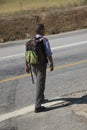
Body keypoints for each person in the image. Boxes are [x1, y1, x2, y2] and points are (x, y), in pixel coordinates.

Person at [25, 24, 54, 113]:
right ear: (41, 30)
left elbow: (26, 54)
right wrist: (51, 63)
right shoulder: (44, 40)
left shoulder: (31, 41)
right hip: (41, 65)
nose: (45, 31)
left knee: (39, 82)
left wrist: (26, 65)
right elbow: (48, 53)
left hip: (32, 65)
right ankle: (38, 106)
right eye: (44, 29)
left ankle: (42, 99)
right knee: (40, 84)